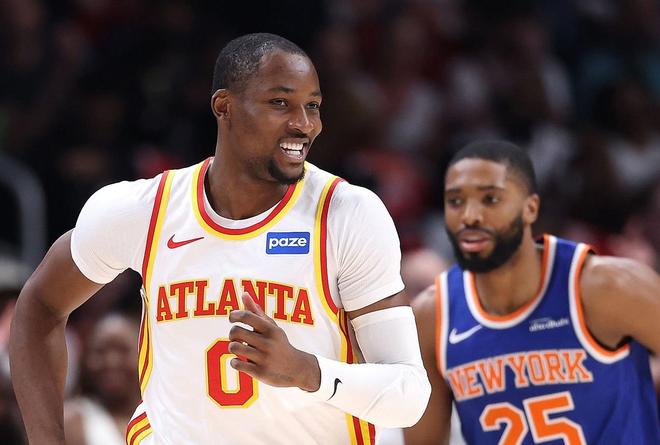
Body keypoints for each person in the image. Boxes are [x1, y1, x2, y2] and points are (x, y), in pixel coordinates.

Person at [9, 33, 431, 445]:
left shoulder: (347, 214)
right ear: (224, 106)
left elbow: (408, 396)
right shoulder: (146, 209)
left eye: (313, 106)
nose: (304, 124)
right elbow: (40, 305)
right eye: (280, 102)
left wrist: (305, 370)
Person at [404, 140, 660, 444]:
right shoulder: (433, 316)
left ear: (530, 208)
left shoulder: (606, 286)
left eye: (490, 199)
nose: (470, 215)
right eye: (456, 201)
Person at [64, 313, 141, 445]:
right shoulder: (72, 421)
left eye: (123, 350)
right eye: (100, 351)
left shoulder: (162, 416)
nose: (111, 361)